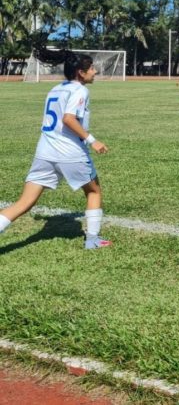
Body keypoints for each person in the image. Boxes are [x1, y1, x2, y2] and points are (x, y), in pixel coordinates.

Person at [0, 40, 111, 250]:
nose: (95, 72)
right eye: (92, 68)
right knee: (93, 191)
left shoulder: (55, 89)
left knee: (24, 202)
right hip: (69, 152)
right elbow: (68, 118)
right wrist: (92, 140)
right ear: (81, 73)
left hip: (45, 151)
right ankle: (92, 240)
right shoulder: (80, 91)